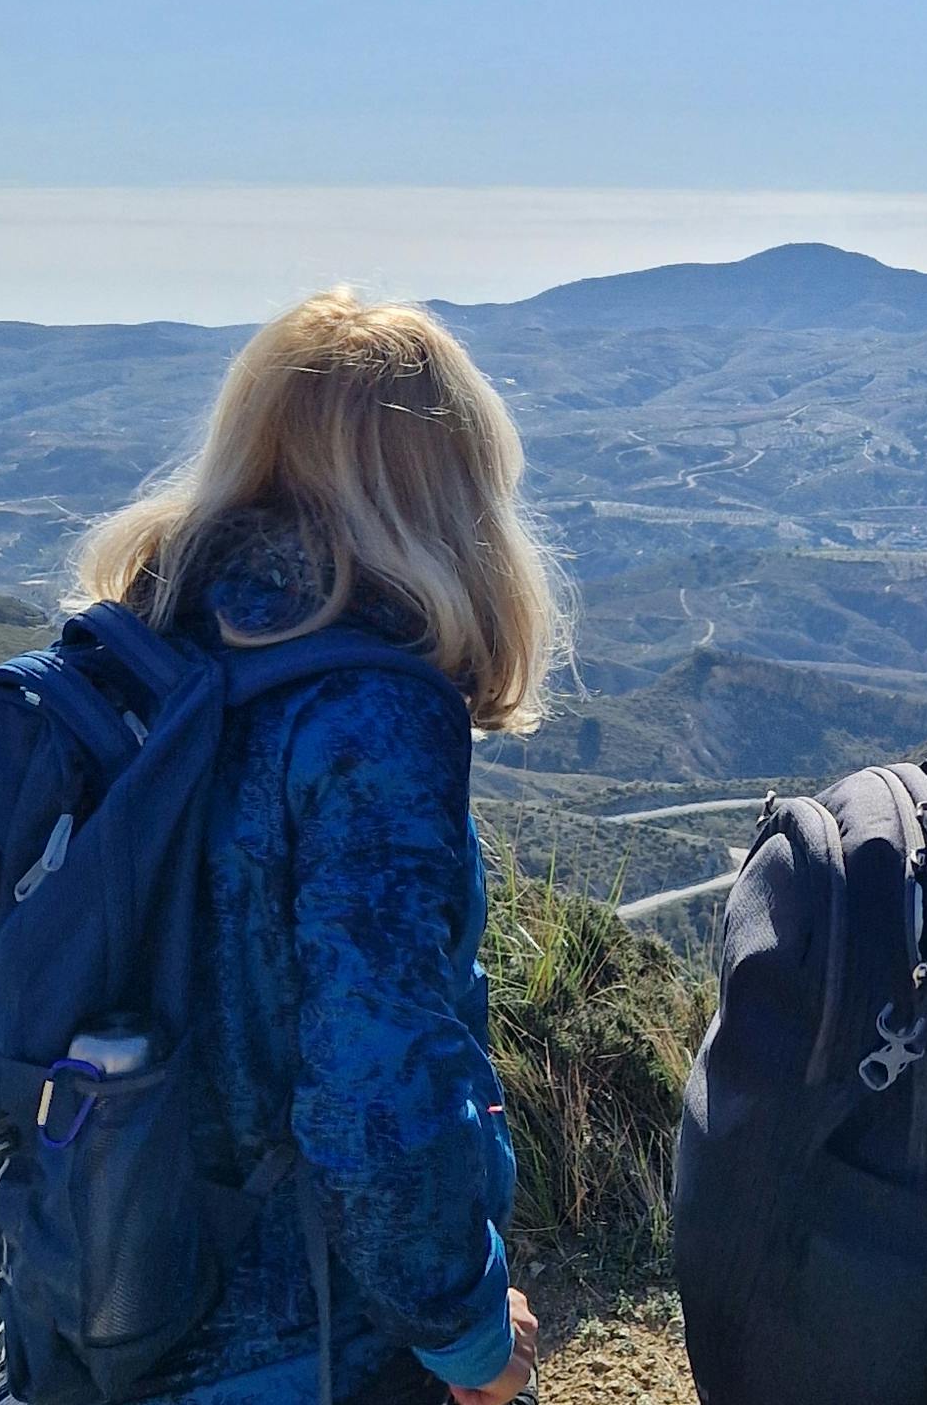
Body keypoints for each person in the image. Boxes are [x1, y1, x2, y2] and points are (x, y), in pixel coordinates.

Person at [71, 290, 563, 1405]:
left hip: (107, 1278)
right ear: (448, 496)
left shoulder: (144, 652)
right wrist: (470, 1328)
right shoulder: (372, 716)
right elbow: (375, 1088)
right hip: (301, 1335)